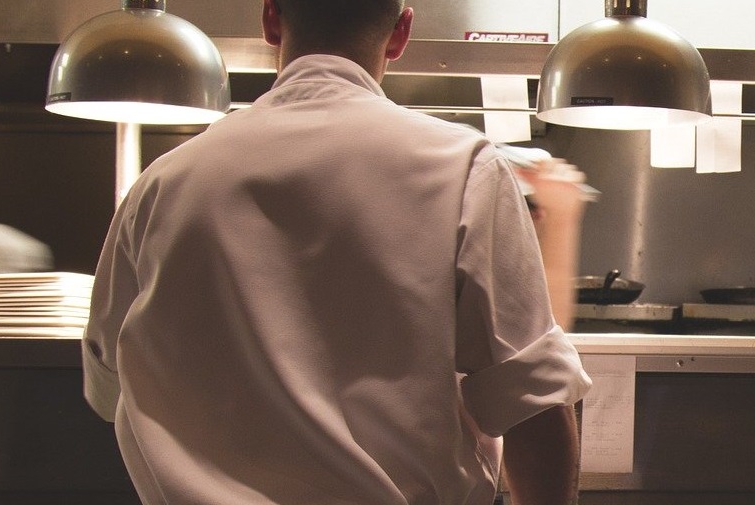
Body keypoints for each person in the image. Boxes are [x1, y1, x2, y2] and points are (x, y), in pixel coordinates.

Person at [80, 1, 592, 504]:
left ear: (271, 19)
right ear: (401, 34)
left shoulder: (162, 184)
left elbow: (108, 387)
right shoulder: (464, 168)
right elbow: (532, 399)